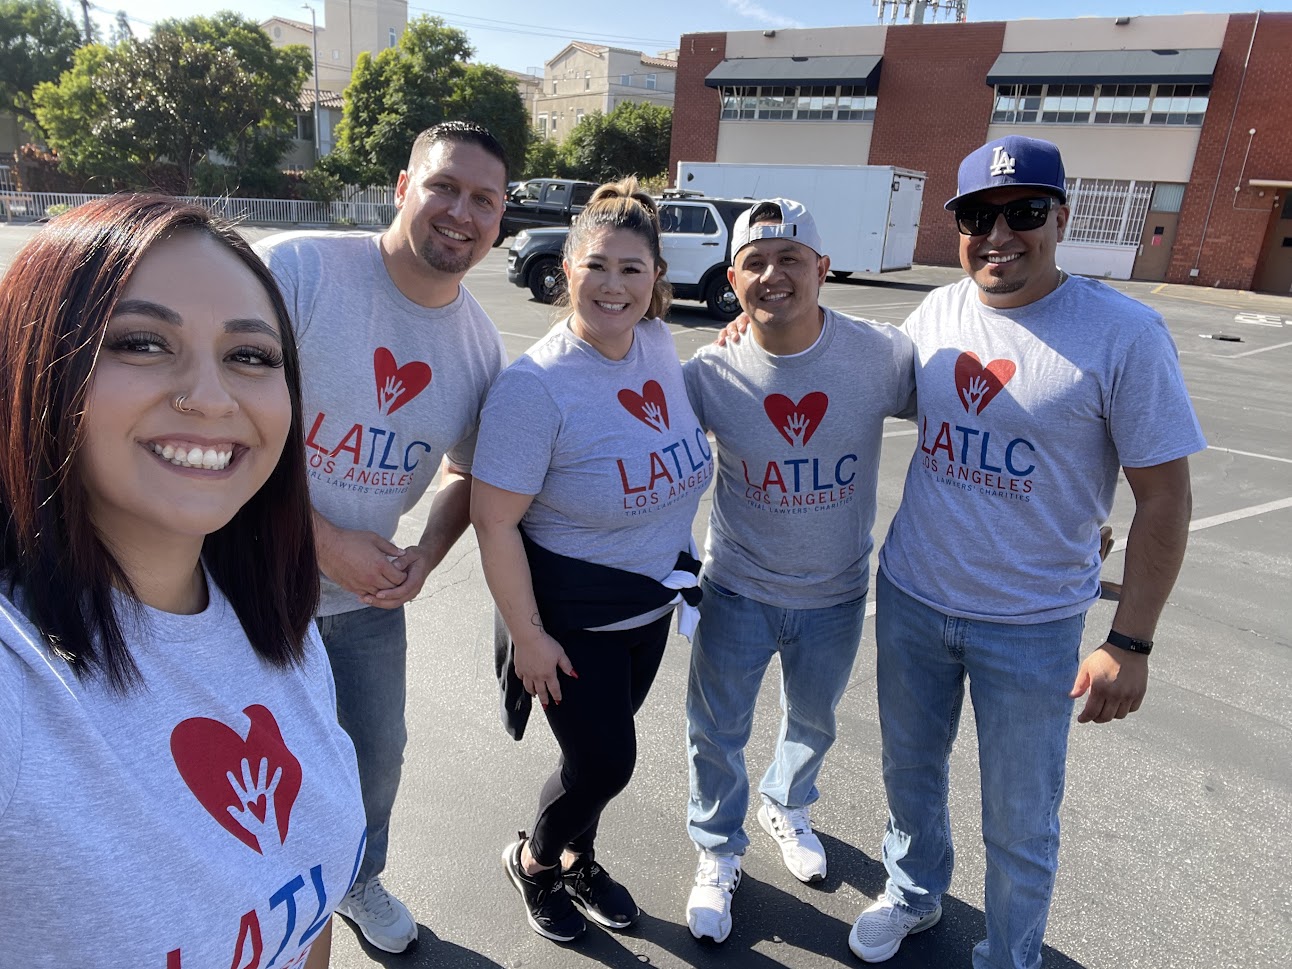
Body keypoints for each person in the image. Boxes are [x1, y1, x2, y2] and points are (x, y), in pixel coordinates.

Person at [847, 135, 1205, 968]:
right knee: (909, 772)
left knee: (1019, 814)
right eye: (978, 215)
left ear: (1061, 218)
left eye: (1025, 212)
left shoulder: (1123, 334)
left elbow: (1166, 498)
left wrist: (1132, 641)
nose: (998, 234)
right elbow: (857, 382)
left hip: (1033, 624)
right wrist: (751, 339)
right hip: (912, 599)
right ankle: (913, 891)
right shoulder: (938, 310)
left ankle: (1009, 953)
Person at [0, 195, 365, 967]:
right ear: (35, 365)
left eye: (251, 356)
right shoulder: (20, 682)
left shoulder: (280, 628)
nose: (210, 396)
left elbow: (307, 913)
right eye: (141, 341)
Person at [255, 121, 510, 953]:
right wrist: (323, 536)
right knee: (240, 766)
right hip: (235, 584)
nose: (460, 211)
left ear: (501, 219)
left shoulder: (479, 347)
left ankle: (356, 876)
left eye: (484, 199)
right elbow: (216, 432)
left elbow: (467, 475)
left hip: (362, 599)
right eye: (443, 186)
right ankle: (250, 895)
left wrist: (426, 559)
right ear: (402, 188)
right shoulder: (298, 271)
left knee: (376, 758)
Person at [471, 178, 713, 943]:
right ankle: (535, 861)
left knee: (597, 761)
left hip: (651, 607)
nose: (614, 286)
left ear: (655, 280)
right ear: (567, 265)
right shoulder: (535, 387)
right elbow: (494, 521)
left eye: (632, 269)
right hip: (574, 622)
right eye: (598, 265)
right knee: (603, 764)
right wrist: (530, 635)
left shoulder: (657, 342)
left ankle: (580, 854)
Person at [680, 199, 915, 943]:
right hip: (737, 586)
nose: (772, 274)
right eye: (755, 261)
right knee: (714, 729)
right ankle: (717, 851)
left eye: (789, 258)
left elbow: (975, 419)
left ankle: (786, 800)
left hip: (837, 591)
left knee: (812, 720)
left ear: (822, 268)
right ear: (732, 278)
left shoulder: (879, 355)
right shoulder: (709, 370)